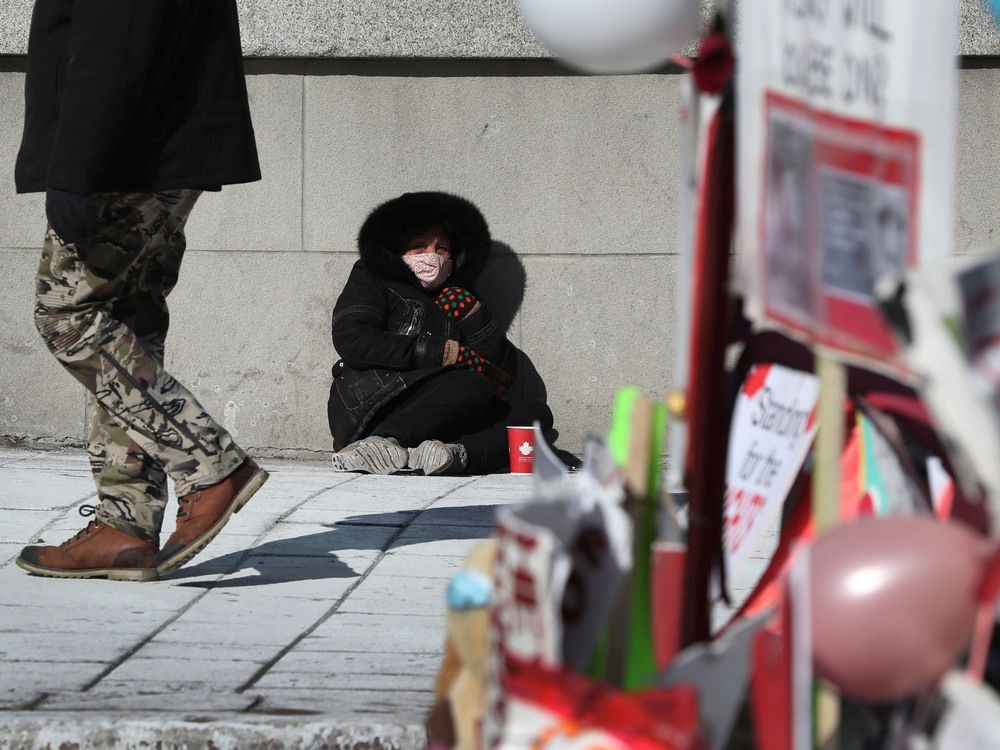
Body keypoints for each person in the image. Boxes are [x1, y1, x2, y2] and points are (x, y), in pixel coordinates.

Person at [13, 0, 268, 582]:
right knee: (127, 322)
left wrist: (73, 167)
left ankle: (210, 464)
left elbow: (111, 41)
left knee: (67, 313)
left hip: (124, 155)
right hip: (152, 147)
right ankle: (125, 524)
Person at [327, 191, 561, 475]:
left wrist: (475, 318)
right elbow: (352, 339)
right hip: (376, 402)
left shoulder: (456, 293)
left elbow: (502, 373)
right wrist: (437, 352)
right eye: (419, 246)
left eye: (441, 249)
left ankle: (452, 455)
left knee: (535, 415)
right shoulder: (373, 276)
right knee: (470, 384)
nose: (432, 256)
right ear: (398, 250)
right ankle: (380, 443)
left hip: (446, 413)